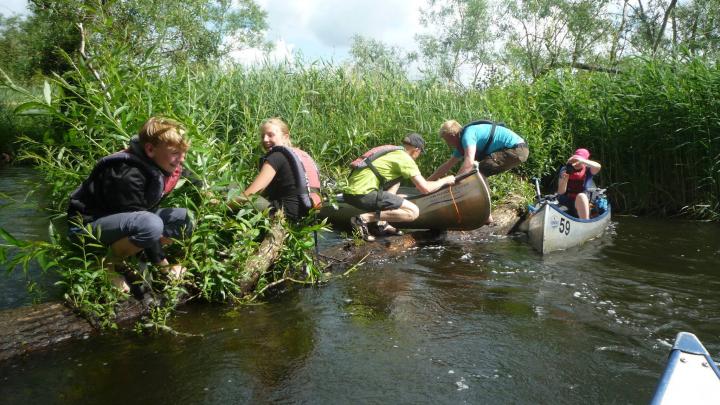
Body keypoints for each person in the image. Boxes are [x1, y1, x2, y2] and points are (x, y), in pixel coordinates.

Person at [67, 117, 194, 293]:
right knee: (150, 225)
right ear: (150, 149)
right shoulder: (127, 173)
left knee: (185, 217)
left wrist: (230, 199)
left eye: (184, 152)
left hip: (123, 222)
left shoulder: (164, 162)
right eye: (175, 153)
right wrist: (165, 267)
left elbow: (199, 185)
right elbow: (143, 223)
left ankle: (136, 256)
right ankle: (106, 263)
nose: (181, 159)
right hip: (87, 227)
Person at [343, 133, 455, 241]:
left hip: (350, 192)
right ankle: (363, 219)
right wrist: (445, 180)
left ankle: (381, 223)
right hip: (362, 193)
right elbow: (425, 188)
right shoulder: (406, 159)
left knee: (397, 181)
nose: (419, 156)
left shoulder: (394, 153)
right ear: (416, 150)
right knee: (413, 212)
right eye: (420, 152)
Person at [237, 117, 321, 221]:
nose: (265, 139)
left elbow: (253, 194)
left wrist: (223, 204)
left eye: (270, 135)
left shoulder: (276, 156)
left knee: (233, 189)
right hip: (309, 216)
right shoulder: (303, 155)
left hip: (283, 214)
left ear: (285, 137)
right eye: (263, 136)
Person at [428, 119, 529, 179]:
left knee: (477, 171)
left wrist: (455, 182)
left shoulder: (468, 136)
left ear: (453, 135)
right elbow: (447, 165)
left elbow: (469, 162)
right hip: (517, 150)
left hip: (517, 149)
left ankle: (484, 210)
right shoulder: (461, 143)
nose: (447, 143)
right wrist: (428, 181)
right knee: (478, 173)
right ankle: (486, 212)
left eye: (447, 140)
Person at [556, 148, 601, 219]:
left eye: (578, 160)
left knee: (581, 196)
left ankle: (585, 223)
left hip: (582, 200)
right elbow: (561, 192)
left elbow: (598, 166)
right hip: (567, 199)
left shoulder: (588, 170)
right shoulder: (565, 169)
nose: (576, 163)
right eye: (575, 160)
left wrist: (582, 161)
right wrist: (565, 180)